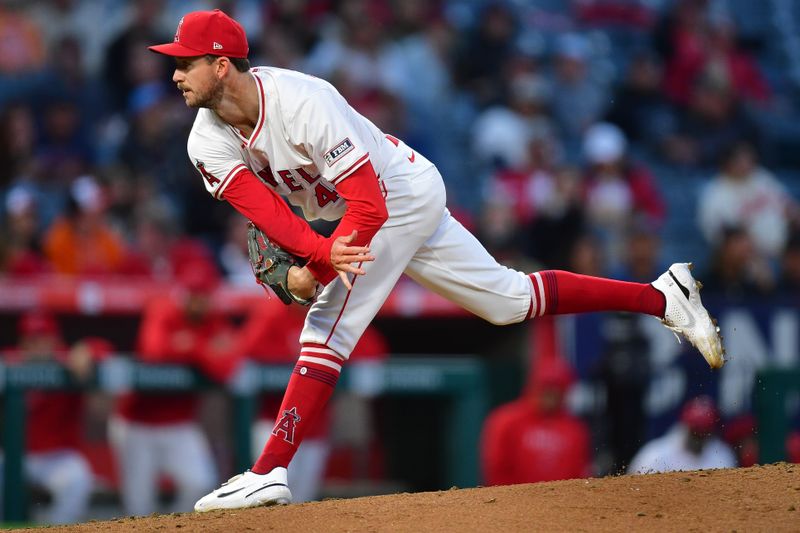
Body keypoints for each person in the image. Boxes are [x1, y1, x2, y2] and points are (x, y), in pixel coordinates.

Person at [147, 9, 725, 510]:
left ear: (222, 65)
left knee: (326, 326)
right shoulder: (205, 139)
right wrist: (309, 259)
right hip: (354, 216)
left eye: (185, 61)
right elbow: (268, 217)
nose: (174, 73)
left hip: (398, 195)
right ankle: (663, 296)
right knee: (509, 302)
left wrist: (318, 266)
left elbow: (369, 206)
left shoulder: (303, 101)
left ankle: (268, 470)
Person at [109, 261, 238, 515]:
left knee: (199, 485)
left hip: (180, 423)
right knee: (139, 507)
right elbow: (154, 353)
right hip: (137, 422)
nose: (199, 303)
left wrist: (190, 346)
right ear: (184, 294)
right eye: (194, 296)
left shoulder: (213, 320)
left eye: (205, 296)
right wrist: (204, 349)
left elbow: (227, 367)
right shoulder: (163, 310)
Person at [0, 312, 108, 524]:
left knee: (78, 479)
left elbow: (103, 348)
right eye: (31, 339)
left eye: (43, 337)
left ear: (55, 339)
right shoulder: (9, 361)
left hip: (57, 456)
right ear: (22, 342)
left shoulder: (69, 362)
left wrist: (88, 351)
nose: (37, 344)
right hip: (13, 455)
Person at [481, 351, 591, 485]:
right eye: (546, 387)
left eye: (557, 388)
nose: (551, 394)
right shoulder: (506, 420)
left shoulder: (574, 428)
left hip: (562, 501)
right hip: (517, 500)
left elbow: (579, 471)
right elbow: (496, 466)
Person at [627, 396, 737, 474]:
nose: (699, 437)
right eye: (695, 431)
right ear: (685, 427)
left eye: (704, 432)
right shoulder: (656, 455)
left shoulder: (721, 455)